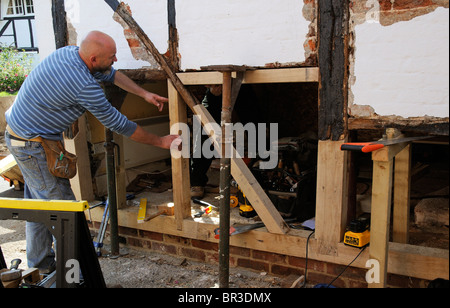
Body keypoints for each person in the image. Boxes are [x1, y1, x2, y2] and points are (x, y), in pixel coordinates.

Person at [4, 31, 179, 273]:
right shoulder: (83, 85)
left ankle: (41, 265)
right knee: (64, 211)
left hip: (23, 135)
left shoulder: (71, 53)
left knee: (40, 205)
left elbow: (113, 75)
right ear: (94, 58)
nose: (116, 60)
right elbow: (120, 124)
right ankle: (74, 273)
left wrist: (144, 93)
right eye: (112, 56)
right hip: (33, 145)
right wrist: (160, 141)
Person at [190, 84, 259, 199]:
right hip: (215, 88)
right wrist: (213, 86)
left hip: (240, 82)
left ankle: (261, 173)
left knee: (255, 124)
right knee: (204, 131)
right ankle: (197, 181)